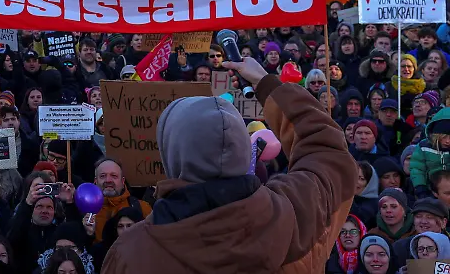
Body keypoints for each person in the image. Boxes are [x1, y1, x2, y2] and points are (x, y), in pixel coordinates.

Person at [100, 55, 356, 273]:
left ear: (171, 152)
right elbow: (327, 150)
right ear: (244, 146)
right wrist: (266, 84)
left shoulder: (130, 254)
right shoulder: (299, 213)